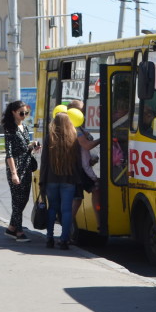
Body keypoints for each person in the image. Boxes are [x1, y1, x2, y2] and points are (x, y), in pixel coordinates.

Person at [39, 112, 83, 250]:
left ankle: (49, 238)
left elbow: (44, 162)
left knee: (52, 208)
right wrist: (79, 180)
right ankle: (64, 240)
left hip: (51, 180)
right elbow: (78, 163)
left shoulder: (49, 139)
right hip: (69, 180)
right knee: (67, 211)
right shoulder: (73, 139)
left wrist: (42, 181)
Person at [2, 101, 38, 242]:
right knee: (17, 201)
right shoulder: (9, 129)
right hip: (16, 167)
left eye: (26, 113)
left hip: (27, 165)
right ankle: (19, 231)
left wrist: (32, 145)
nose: (24, 115)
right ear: (13, 113)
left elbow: (23, 147)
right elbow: (9, 153)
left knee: (24, 199)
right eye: (21, 113)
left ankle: (11, 228)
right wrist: (13, 173)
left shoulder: (24, 127)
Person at [66, 100, 100, 242]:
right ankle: (99, 223)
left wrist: (92, 158)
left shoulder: (78, 127)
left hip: (82, 166)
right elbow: (86, 146)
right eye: (81, 110)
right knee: (94, 190)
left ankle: (66, 229)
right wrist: (102, 138)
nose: (84, 113)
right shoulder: (75, 129)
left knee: (79, 199)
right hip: (80, 169)